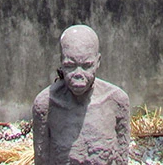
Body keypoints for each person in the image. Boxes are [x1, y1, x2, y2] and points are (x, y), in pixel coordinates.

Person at [32, 24, 130, 165]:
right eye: (70, 66)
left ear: (98, 62)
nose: (78, 74)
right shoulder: (46, 104)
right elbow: (42, 159)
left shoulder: (116, 101)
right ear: (61, 62)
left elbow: (122, 157)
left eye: (86, 66)